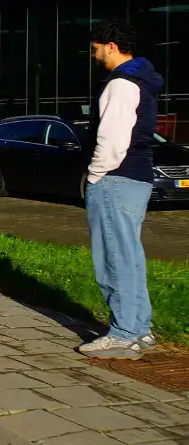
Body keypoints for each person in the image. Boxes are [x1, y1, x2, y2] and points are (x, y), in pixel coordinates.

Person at [78, 20, 162, 360]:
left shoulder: (120, 84)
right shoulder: (142, 80)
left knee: (113, 259)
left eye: (95, 48)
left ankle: (124, 333)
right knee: (129, 257)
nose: (94, 54)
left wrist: (94, 174)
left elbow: (112, 140)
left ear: (111, 46)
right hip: (136, 178)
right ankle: (139, 328)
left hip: (115, 179)